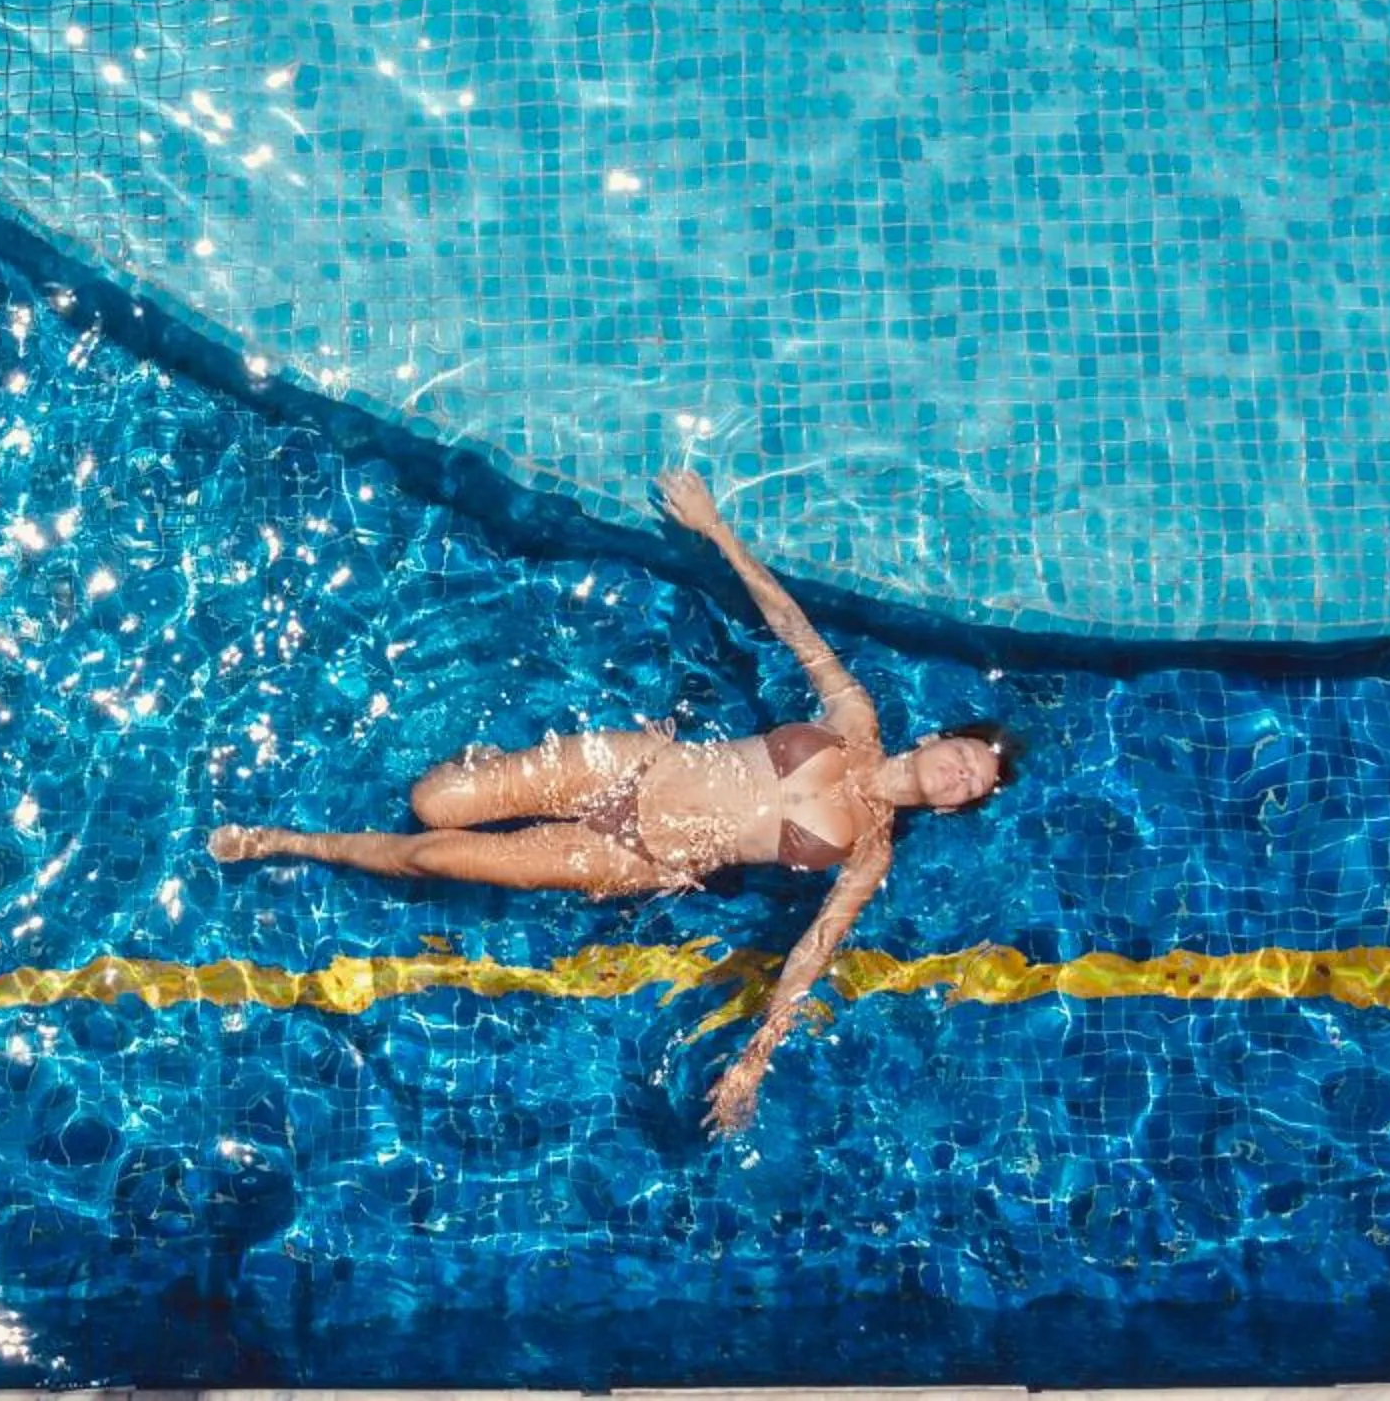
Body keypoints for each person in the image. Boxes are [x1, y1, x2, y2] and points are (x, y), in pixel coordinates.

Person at [209, 469, 1013, 1133]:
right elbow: (793, 626)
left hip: (638, 858)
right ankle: (499, 768)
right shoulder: (857, 720)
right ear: (940, 740)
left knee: (433, 855)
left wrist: (755, 1055)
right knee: (433, 799)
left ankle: (289, 841)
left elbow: (814, 950)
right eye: (966, 757)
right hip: (630, 768)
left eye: (971, 786)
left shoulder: (870, 852)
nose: (959, 775)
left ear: (949, 807)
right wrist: (718, 531)